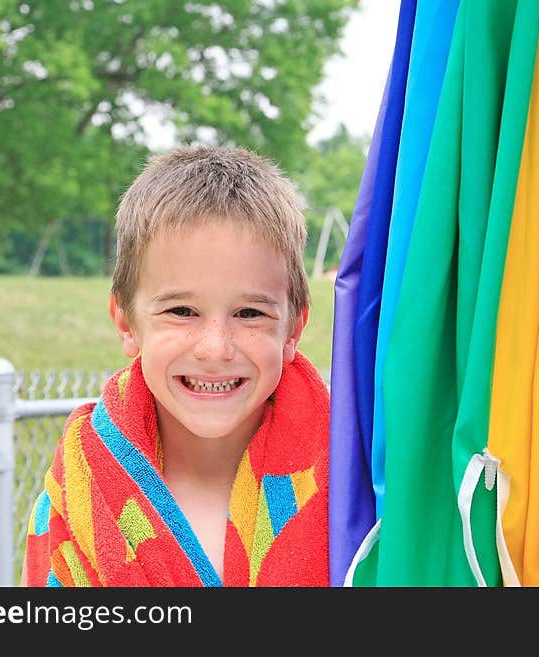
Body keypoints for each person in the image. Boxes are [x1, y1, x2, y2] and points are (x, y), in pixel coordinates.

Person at [23, 145, 330, 587]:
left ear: (293, 329)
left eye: (250, 314)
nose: (215, 348)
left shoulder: (351, 489)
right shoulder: (79, 496)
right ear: (127, 322)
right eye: (182, 312)